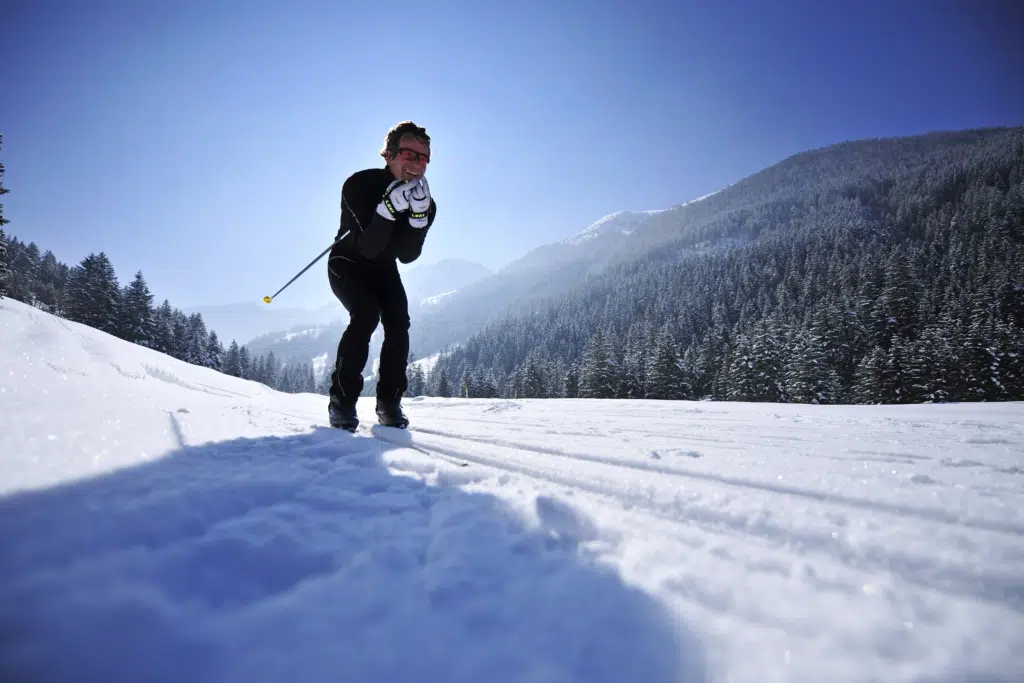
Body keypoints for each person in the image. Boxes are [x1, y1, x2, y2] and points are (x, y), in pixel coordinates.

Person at [325, 121, 436, 431]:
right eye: (409, 154)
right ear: (389, 154)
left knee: (399, 322)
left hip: (384, 268)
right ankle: (342, 402)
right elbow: (368, 247)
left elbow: (407, 255)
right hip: (348, 261)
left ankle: (389, 402)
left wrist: (417, 218)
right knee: (365, 315)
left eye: (424, 157)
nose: (417, 163)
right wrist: (387, 210)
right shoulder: (359, 185)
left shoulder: (426, 202)